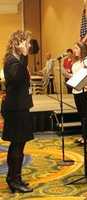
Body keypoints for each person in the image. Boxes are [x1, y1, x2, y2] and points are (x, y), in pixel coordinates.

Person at [1, 30, 33, 193]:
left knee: (18, 145)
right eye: (26, 42)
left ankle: (15, 177)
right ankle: (13, 180)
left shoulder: (16, 60)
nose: (28, 45)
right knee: (17, 144)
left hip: (19, 107)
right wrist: (25, 55)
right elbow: (17, 77)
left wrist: (24, 56)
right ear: (17, 44)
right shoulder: (12, 61)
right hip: (15, 109)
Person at [71, 42, 87, 145]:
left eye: (76, 48)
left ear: (82, 49)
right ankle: (83, 135)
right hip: (76, 90)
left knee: (86, 115)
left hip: (84, 91)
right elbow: (75, 75)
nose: (74, 50)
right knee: (81, 114)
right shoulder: (76, 63)